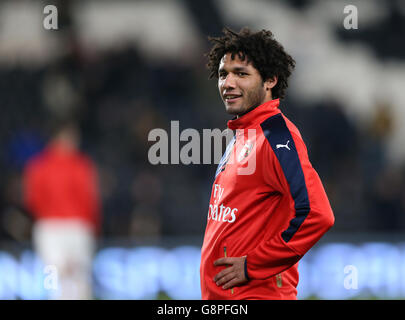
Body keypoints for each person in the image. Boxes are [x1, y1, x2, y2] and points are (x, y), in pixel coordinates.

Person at [200, 27, 335, 300]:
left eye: (241, 74)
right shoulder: (243, 135)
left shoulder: (277, 137)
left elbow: (317, 214)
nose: (228, 83)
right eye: (224, 74)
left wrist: (254, 265)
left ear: (270, 80)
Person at [23, 120, 101, 299]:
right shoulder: (76, 165)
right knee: (61, 279)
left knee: (73, 280)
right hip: (64, 227)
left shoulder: (40, 165)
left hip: (62, 227)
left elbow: (33, 200)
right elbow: (90, 200)